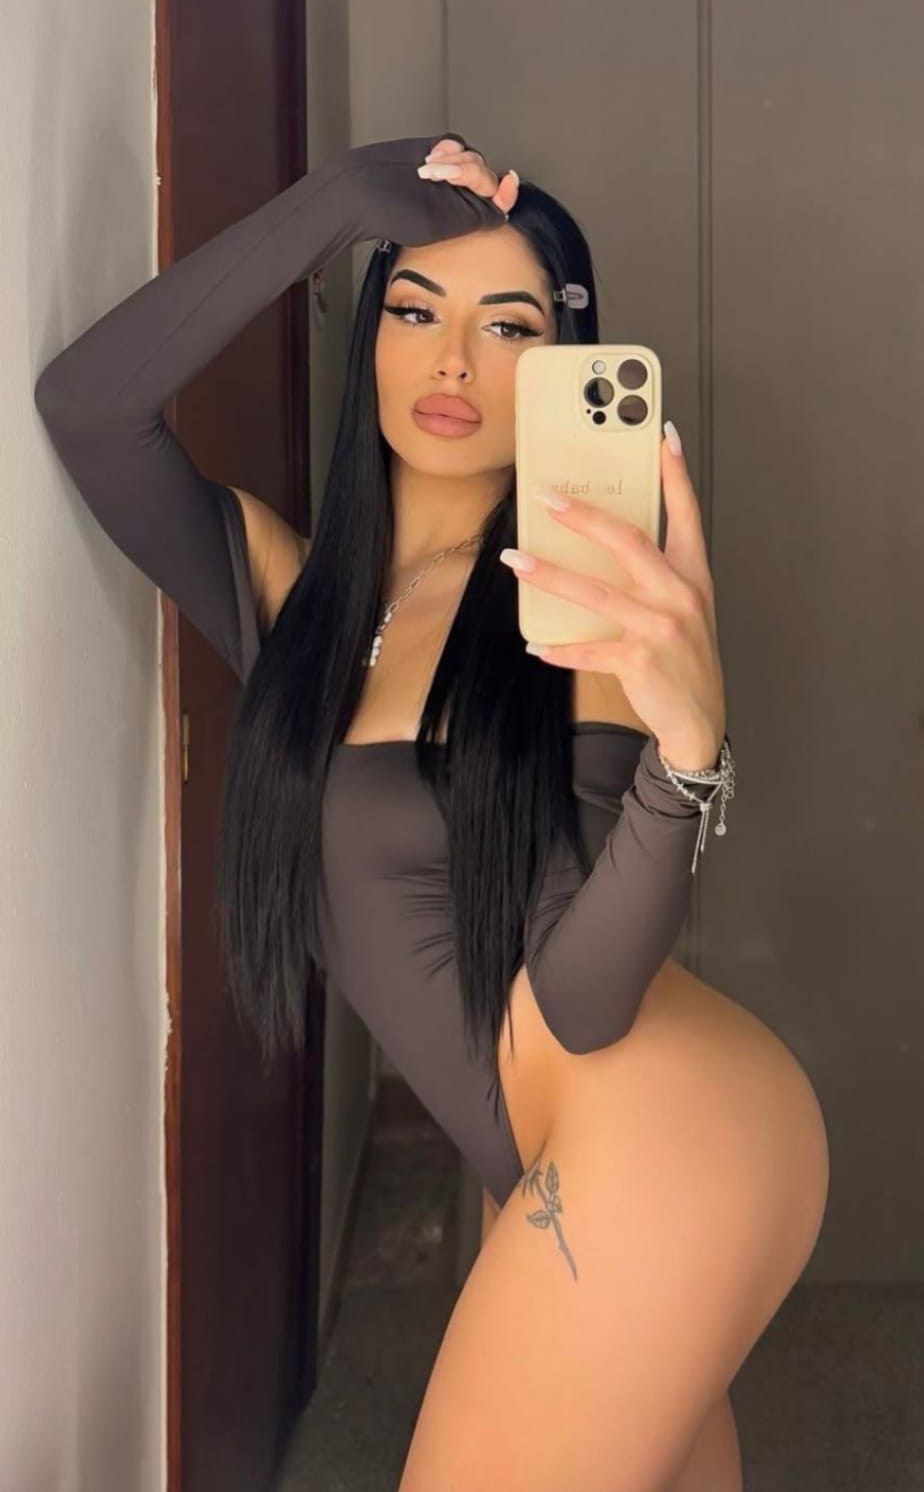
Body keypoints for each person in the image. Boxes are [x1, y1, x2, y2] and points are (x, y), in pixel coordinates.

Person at [33, 131, 829, 1491]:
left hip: (658, 1130)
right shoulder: (297, 605)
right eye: (414, 310)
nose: (453, 362)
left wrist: (688, 753)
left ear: (566, 365)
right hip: (554, 1150)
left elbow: (584, 1003)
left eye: (508, 328)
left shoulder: (571, 602)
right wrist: (339, 202)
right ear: (371, 338)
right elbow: (90, 408)